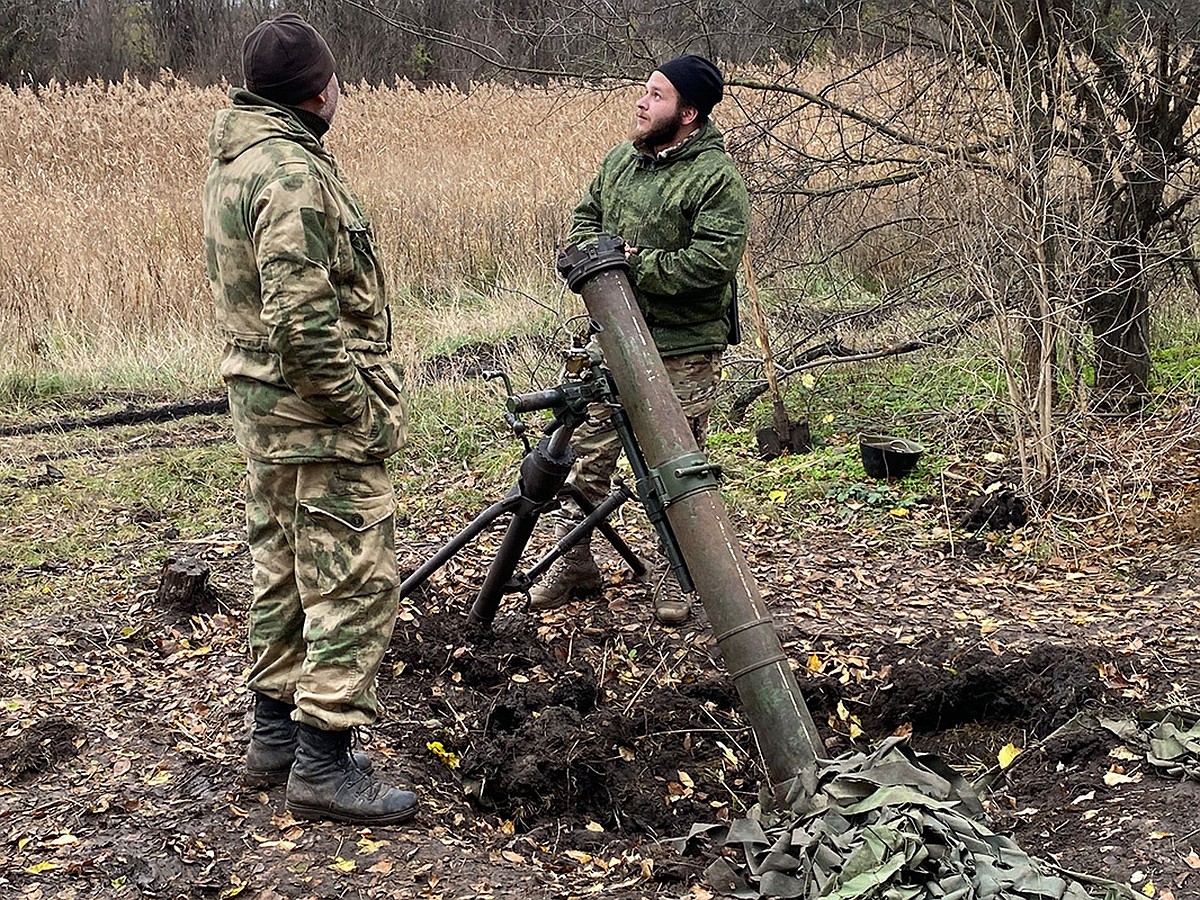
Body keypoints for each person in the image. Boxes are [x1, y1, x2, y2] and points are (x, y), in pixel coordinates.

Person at [202, 12, 417, 826]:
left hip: (266, 411)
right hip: (314, 416)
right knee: (356, 582)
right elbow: (302, 317)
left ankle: (273, 740)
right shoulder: (289, 173)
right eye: (334, 81)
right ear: (317, 91)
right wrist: (356, 409)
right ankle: (322, 764)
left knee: (283, 568)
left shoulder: (238, 160)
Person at [531, 55, 750, 625]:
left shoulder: (717, 178)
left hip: (682, 347)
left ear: (688, 113)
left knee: (675, 469)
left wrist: (630, 266)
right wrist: (589, 264)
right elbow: (586, 223)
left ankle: (677, 578)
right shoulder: (620, 162)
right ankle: (576, 565)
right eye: (644, 91)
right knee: (587, 460)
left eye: (656, 95)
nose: (642, 102)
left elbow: (712, 263)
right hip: (613, 339)